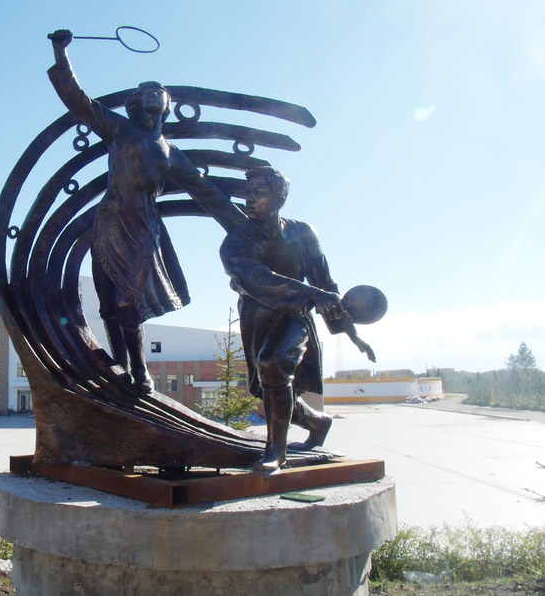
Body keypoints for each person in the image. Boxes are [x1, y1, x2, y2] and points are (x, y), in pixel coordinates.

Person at [48, 29, 243, 393]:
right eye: (146, 91)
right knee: (109, 304)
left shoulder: (170, 152)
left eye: (159, 92)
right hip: (108, 223)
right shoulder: (120, 129)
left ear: (166, 105)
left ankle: (140, 370)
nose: (153, 93)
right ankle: (121, 364)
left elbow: (205, 191)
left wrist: (241, 225)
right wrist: (61, 53)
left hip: (142, 227)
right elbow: (78, 99)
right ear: (135, 104)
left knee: (128, 302)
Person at [219, 166, 375, 471]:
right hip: (255, 316)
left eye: (259, 192)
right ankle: (317, 422)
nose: (250, 199)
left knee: (272, 365)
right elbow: (257, 278)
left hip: (295, 315)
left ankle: (275, 452)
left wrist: (351, 332)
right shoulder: (236, 241)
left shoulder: (303, 234)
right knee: (264, 387)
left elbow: (326, 285)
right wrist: (315, 294)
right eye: (247, 192)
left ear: (280, 197)